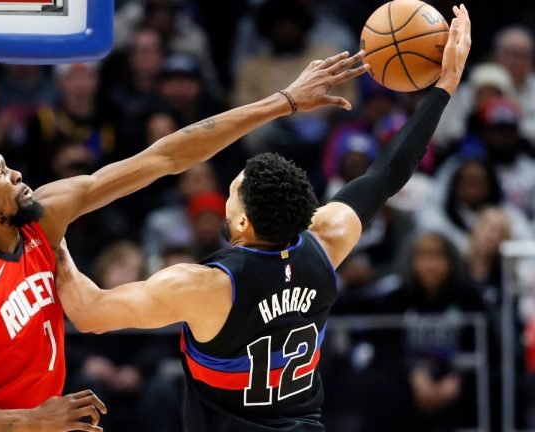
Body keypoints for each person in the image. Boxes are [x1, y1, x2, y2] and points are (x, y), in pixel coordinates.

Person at [0, 43, 370, 431]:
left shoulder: (43, 214)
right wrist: (29, 421)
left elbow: (163, 158)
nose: (15, 172)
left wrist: (282, 102)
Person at [54, 6, 471, 431]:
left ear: (242, 224)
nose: (225, 197)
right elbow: (387, 173)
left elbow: (88, 312)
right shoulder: (327, 241)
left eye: (233, 194)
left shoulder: (204, 287)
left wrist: (53, 233)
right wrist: (446, 85)